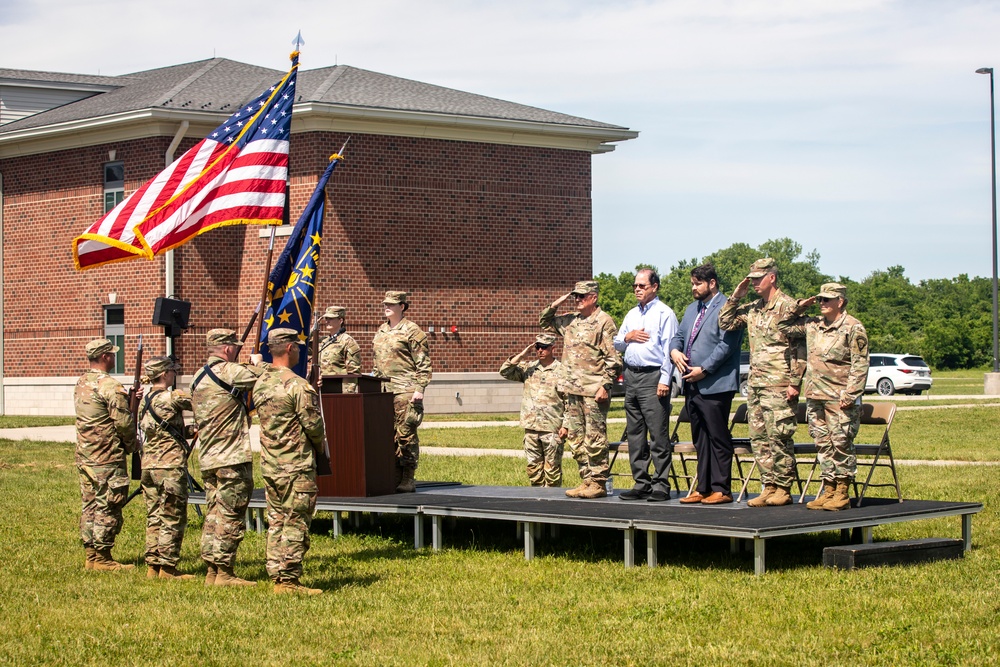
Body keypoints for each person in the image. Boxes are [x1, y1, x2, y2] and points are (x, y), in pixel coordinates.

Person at [718, 258, 805, 507]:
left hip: (779, 383)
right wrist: (735, 296)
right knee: (759, 438)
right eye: (752, 278)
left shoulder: (788, 307)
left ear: (772, 278)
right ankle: (769, 485)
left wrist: (795, 383)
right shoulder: (754, 308)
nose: (754, 282)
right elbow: (725, 322)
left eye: (758, 278)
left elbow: (800, 349)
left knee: (779, 436)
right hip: (756, 384)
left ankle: (783, 487)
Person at [781, 283, 870, 511]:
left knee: (840, 443)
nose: (821, 303)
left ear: (840, 301)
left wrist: (851, 394)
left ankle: (842, 491)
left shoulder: (852, 327)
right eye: (819, 299)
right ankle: (828, 488)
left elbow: (860, 365)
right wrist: (801, 306)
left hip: (839, 398)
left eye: (826, 300)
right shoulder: (813, 325)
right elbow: (783, 325)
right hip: (816, 395)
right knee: (822, 444)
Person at [253, 328, 326, 594]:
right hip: (296, 466)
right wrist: (321, 448)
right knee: (295, 521)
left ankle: (276, 574)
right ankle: (289, 580)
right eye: (297, 345)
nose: (299, 349)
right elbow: (313, 426)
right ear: (288, 348)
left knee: (276, 520)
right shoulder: (297, 386)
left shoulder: (261, 382)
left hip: (271, 464)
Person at [191, 328, 264, 586]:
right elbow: (265, 377)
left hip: (209, 457)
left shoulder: (198, 376)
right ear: (226, 349)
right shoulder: (230, 371)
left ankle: (212, 570)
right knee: (230, 513)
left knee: (213, 513)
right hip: (231, 457)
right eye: (235, 347)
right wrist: (258, 362)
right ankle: (224, 572)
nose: (237, 350)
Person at [669, 264, 743, 505]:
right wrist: (674, 351)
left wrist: (705, 369)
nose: (693, 287)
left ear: (712, 283)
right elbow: (679, 336)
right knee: (700, 437)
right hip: (692, 383)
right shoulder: (692, 309)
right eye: (692, 283)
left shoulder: (727, 308)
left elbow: (726, 346)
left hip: (716, 384)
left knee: (718, 437)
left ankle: (722, 489)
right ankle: (703, 488)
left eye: (697, 283)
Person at [540, 280, 622, 499]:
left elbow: (613, 358)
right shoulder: (570, 321)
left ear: (593, 298)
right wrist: (560, 300)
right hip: (572, 390)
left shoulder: (604, 322)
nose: (577, 300)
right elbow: (544, 320)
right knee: (576, 439)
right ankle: (586, 480)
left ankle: (598, 482)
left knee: (595, 438)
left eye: (581, 296)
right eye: (575, 296)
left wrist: (605, 384)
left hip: (594, 390)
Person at [613, 269, 678, 502]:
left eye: (642, 285)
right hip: (631, 376)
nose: (637, 289)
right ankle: (642, 483)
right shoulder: (631, 314)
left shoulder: (664, 314)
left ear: (655, 287)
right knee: (635, 433)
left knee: (657, 434)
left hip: (652, 377)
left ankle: (661, 484)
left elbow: (670, 350)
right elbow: (617, 343)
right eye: (635, 286)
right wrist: (628, 337)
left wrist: (664, 379)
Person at [74, 338, 139, 571]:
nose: (114, 357)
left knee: (90, 504)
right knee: (109, 503)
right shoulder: (109, 385)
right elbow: (122, 422)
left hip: (86, 455)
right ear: (105, 357)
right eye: (111, 354)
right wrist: (133, 445)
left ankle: (91, 555)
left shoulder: (82, 382)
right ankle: (102, 557)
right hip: (107, 456)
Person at [138, 356, 195, 580]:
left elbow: (164, 428)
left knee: (154, 516)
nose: (175, 374)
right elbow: (201, 401)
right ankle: (168, 568)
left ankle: (153, 564)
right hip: (169, 466)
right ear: (164, 374)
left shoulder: (145, 400)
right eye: (172, 371)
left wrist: (190, 431)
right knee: (172, 516)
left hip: (149, 465)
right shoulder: (171, 397)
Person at [372, 291, 432, 493]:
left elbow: (423, 363)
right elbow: (376, 364)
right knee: (387, 436)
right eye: (385, 304)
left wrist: (419, 389)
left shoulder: (412, 331)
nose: (386, 307)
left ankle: (408, 477)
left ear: (402, 307)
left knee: (405, 435)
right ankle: (393, 475)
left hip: (405, 391)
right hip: (383, 391)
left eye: (391, 304)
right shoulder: (381, 330)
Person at [499, 333, 567, 487]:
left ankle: (553, 501)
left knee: (552, 471)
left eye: (544, 347)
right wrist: (523, 354)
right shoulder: (528, 368)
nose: (540, 350)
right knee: (533, 470)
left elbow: (569, 401)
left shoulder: (562, 370)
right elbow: (504, 371)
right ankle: (537, 500)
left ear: (552, 348)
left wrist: (566, 425)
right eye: (537, 347)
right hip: (531, 427)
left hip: (552, 428)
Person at [319, 305, 361, 393]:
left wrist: (348, 395)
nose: (327, 321)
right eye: (326, 318)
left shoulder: (348, 341)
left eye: (331, 318)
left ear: (340, 320)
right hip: (322, 388)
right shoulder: (323, 341)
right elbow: (305, 347)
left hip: (339, 391)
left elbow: (353, 372)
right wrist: (313, 329)